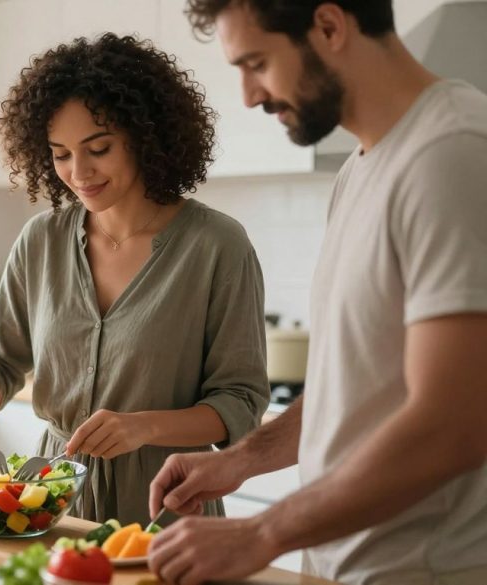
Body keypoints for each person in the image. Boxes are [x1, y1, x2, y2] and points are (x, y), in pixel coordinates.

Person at [147, 2, 487, 584]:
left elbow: (456, 421)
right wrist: (241, 461)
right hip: (342, 565)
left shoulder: (452, 153)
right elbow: (354, 386)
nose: (250, 95)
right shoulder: (361, 168)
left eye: (256, 62)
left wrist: (263, 532)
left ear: (330, 25)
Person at [0, 33, 270, 526]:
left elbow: (240, 403)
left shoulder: (216, 247)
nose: (78, 172)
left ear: (146, 136)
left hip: (167, 506)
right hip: (51, 500)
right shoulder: (42, 240)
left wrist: (143, 427)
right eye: (60, 154)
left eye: (98, 148)